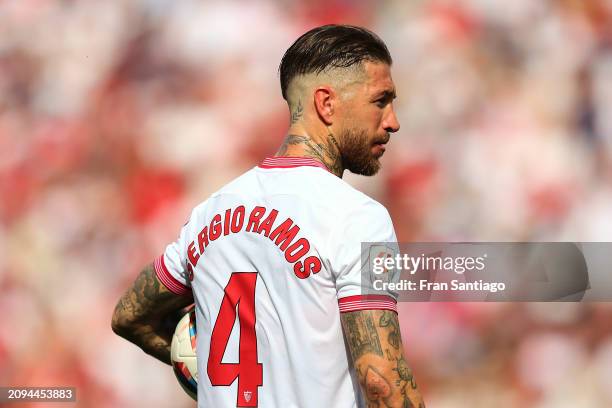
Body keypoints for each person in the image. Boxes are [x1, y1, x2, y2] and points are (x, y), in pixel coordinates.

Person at [112, 24, 425, 408]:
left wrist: (208, 369)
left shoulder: (211, 213)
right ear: (326, 103)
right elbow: (382, 383)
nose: (393, 121)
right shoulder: (357, 217)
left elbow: (130, 316)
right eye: (381, 101)